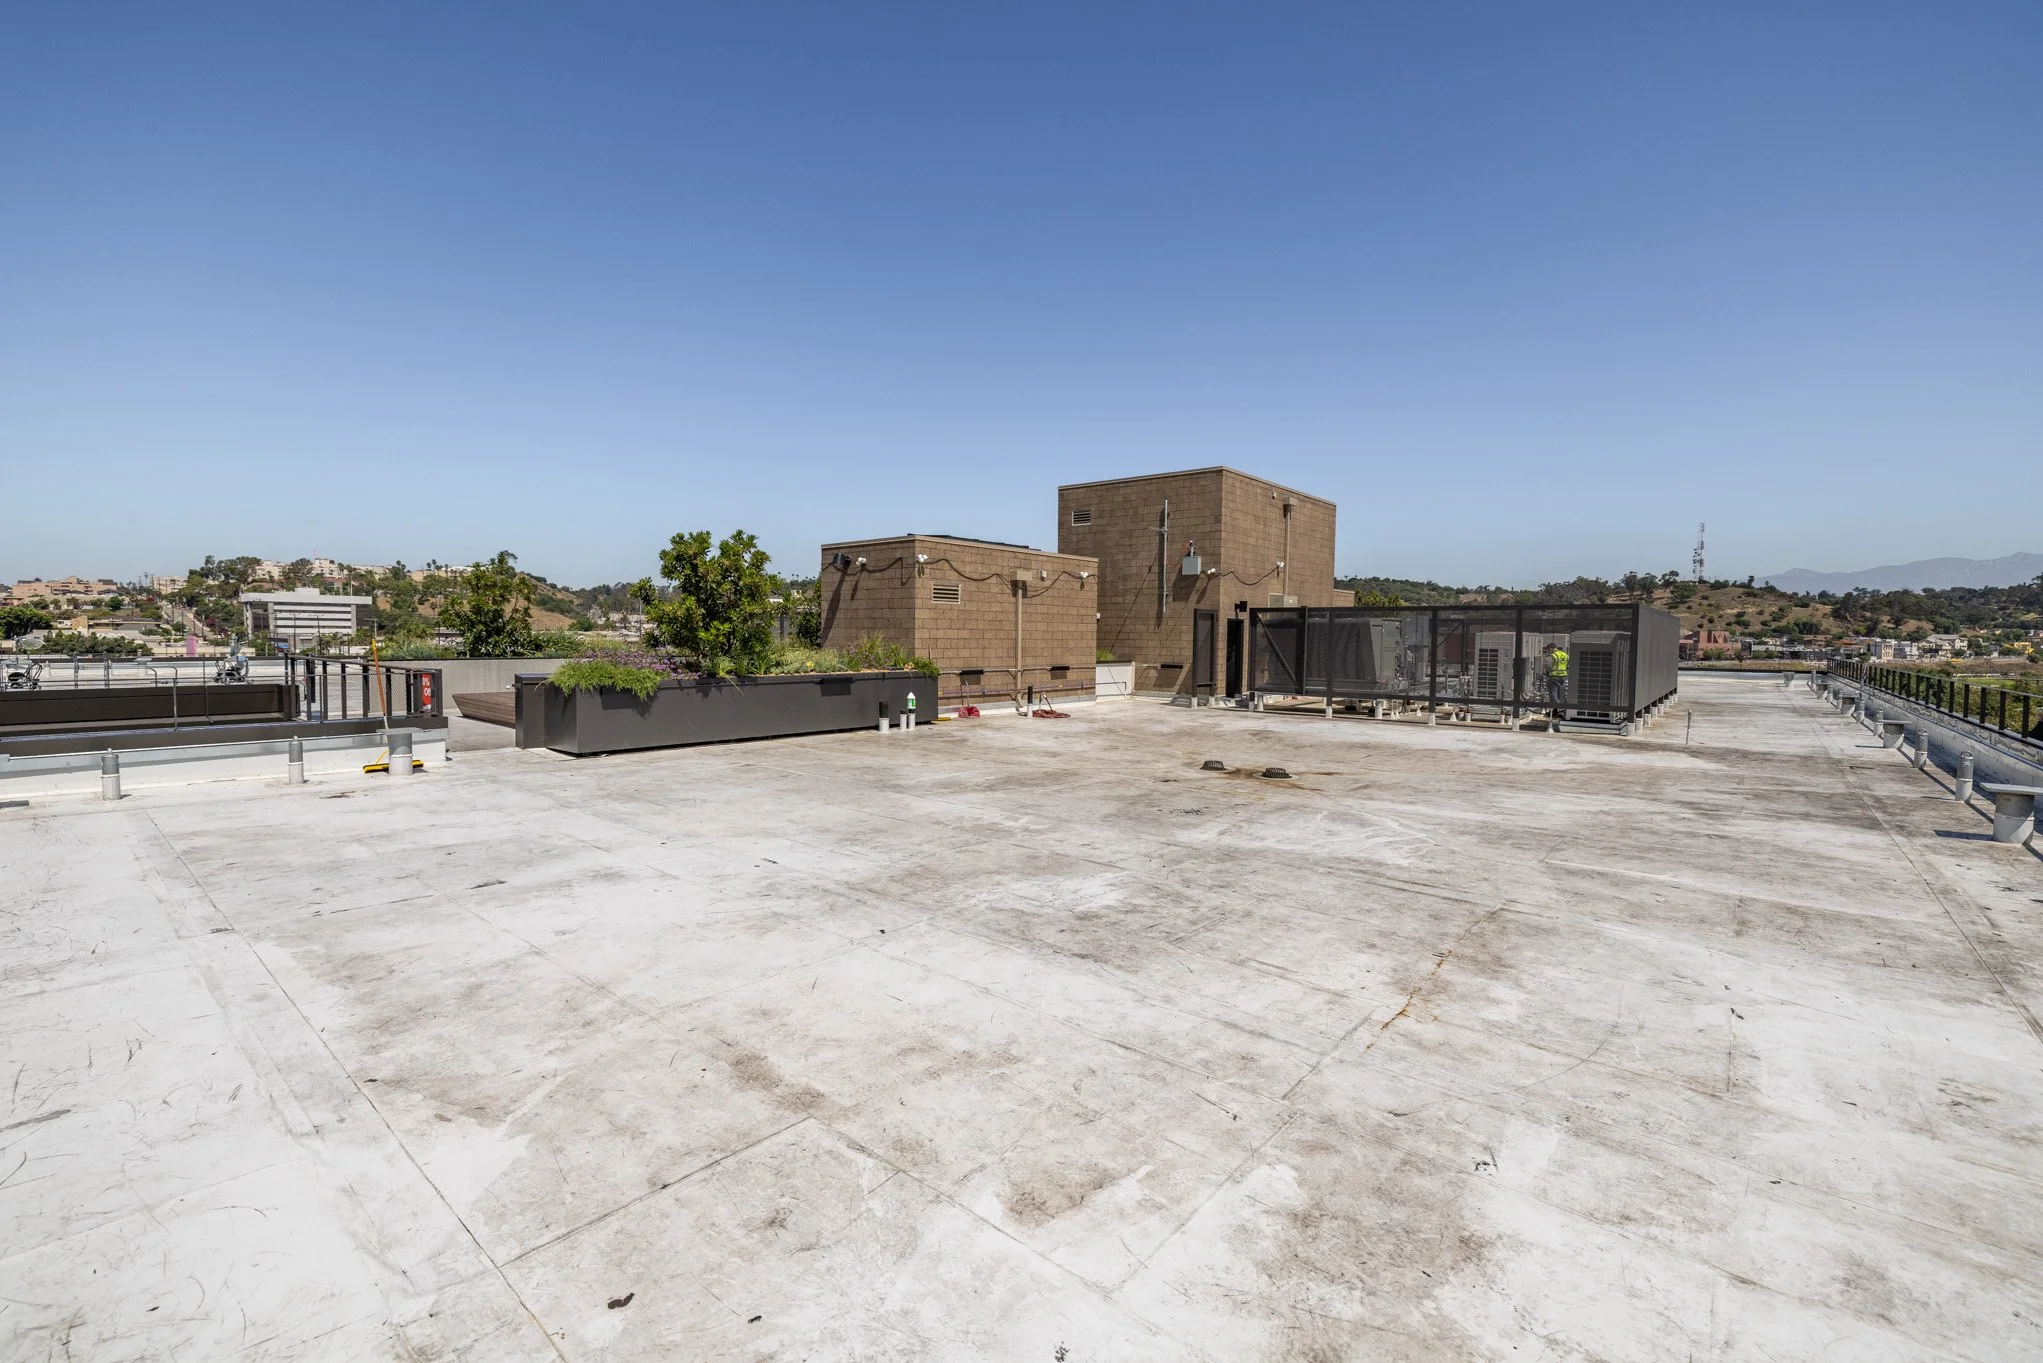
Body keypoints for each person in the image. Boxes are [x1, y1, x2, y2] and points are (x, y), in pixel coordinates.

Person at [1544, 641, 1569, 719]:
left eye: (1548, 650)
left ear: (1551, 648)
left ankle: (1557, 709)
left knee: (1553, 694)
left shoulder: (1553, 656)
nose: (1548, 651)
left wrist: (1548, 672)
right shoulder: (1565, 655)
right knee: (1560, 693)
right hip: (1563, 677)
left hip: (1554, 677)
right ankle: (1559, 710)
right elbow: (1568, 665)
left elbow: (1547, 665)